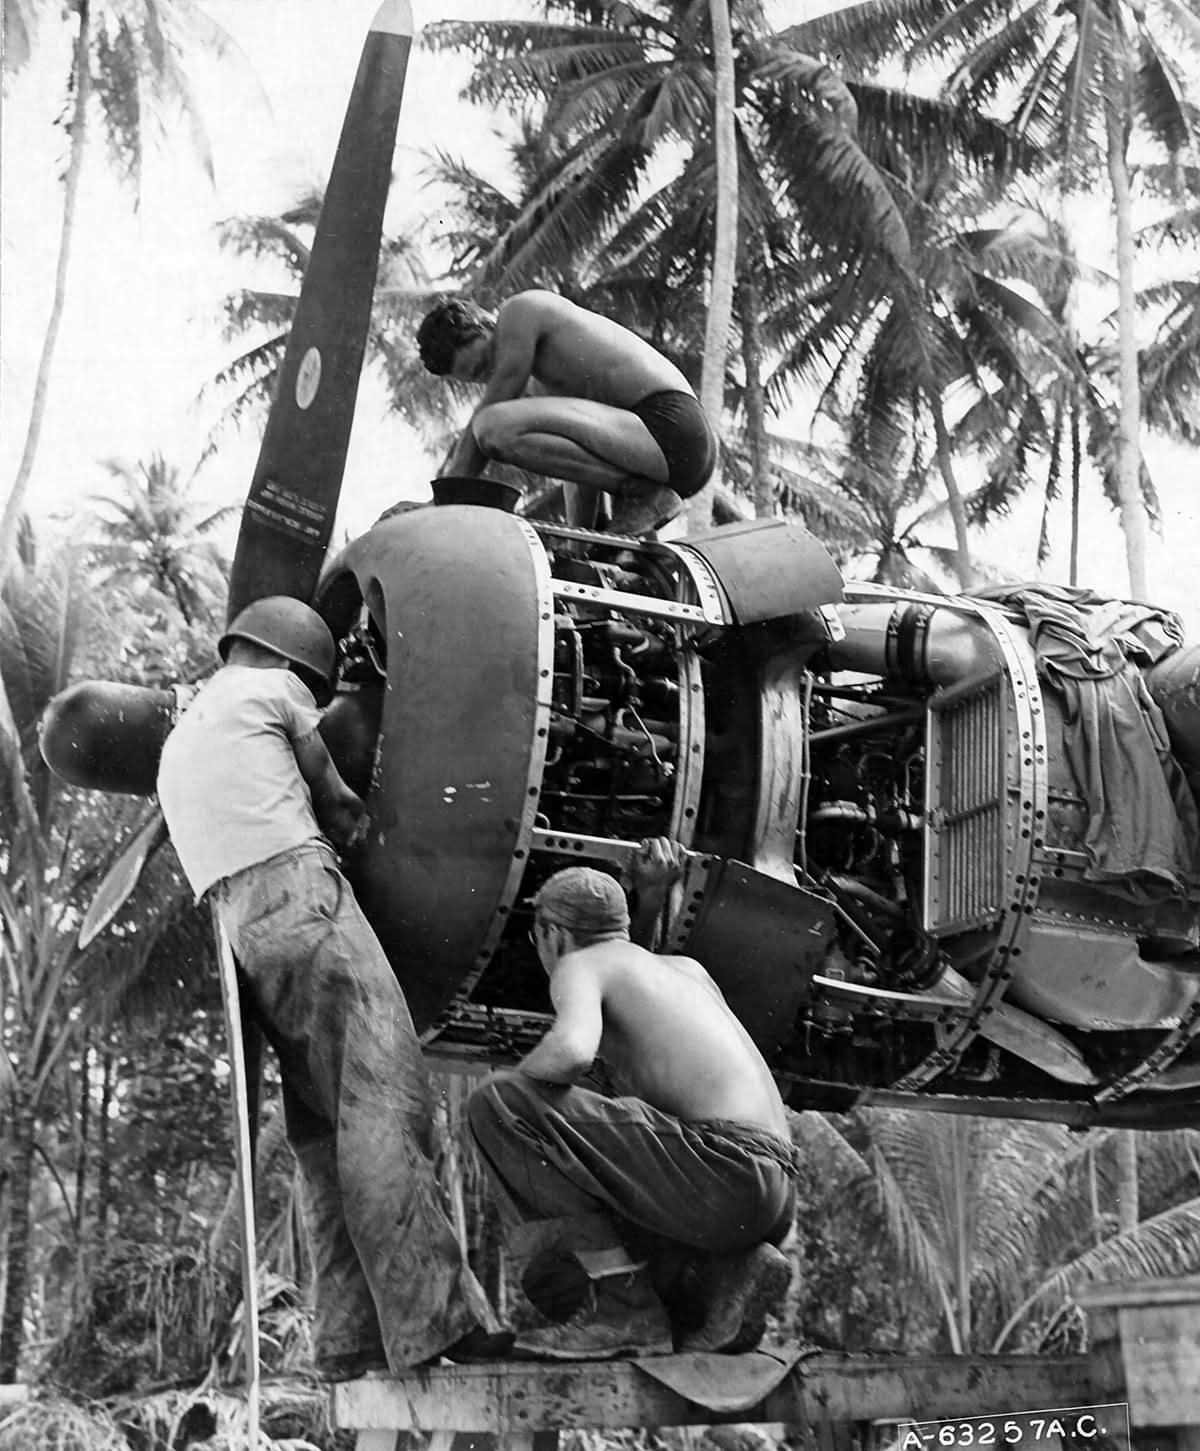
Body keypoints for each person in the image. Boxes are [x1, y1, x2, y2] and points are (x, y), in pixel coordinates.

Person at [156, 595, 510, 1377]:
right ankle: (434, 1319)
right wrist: (380, 834)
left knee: (321, 1130)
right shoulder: (276, 690)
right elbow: (340, 799)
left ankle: (348, 1336)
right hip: (303, 899)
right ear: (295, 663)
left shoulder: (180, 739)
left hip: (244, 939)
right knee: (387, 1095)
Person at [466, 841, 797, 1359]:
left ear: (553, 934)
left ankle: (622, 1310)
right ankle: (722, 1276)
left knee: (496, 1101)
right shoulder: (686, 970)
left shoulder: (579, 965)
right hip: (771, 1195)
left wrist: (518, 1101)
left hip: (723, 1175)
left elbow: (573, 1051)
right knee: (606, 1099)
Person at [416, 291, 718, 535]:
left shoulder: (521, 311)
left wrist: (443, 500)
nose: (493, 374)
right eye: (478, 377)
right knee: (495, 424)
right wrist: (581, 544)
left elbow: (486, 420)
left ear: (484, 323)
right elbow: (577, 473)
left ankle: (643, 493)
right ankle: (640, 501)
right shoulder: (541, 385)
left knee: (491, 425)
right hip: (660, 456)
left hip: (671, 426)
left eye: (485, 361)